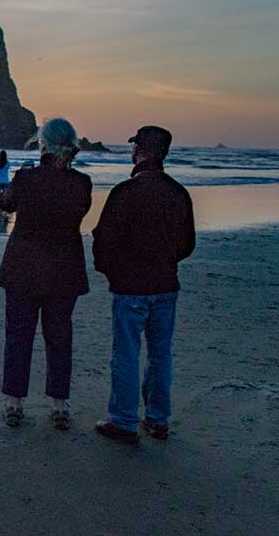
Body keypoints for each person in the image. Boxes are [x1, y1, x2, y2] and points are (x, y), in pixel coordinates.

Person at [92, 126, 195, 444]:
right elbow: (187, 244)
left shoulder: (126, 192)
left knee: (126, 353)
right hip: (165, 283)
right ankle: (157, 418)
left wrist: (111, 272)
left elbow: (103, 241)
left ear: (140, 152)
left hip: (131, 286)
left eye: (135, 146)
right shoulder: (178, 193)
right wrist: (165, 261)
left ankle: (123, 421)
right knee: (160, 354)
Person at [0, 118, 91, 429]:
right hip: (65, 269)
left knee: (18, 336)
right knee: (60, 338)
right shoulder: (82, 184)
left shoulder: (26, 179)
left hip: (24, 268)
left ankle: (14, 402)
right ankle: (59, 405)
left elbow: (5, 203)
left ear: (43, 145)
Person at [0, 150, 11, 219]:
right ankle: (4, 211)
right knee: (5, 197)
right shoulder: (8, 163)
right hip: (6, 181)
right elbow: (7, 169)